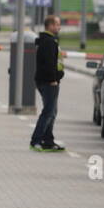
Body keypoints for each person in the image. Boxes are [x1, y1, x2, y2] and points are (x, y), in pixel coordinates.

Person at [30, 15, 66, 152]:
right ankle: (36, 141)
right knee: (48, 112)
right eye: (57, 24)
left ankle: (48, 140)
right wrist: (53, 80)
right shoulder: (49, 42)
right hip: (49, 82)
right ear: (50, 26)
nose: (59, 27)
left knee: (52, 112)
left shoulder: (48, 41)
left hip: (48, 81)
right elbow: (50, 63)